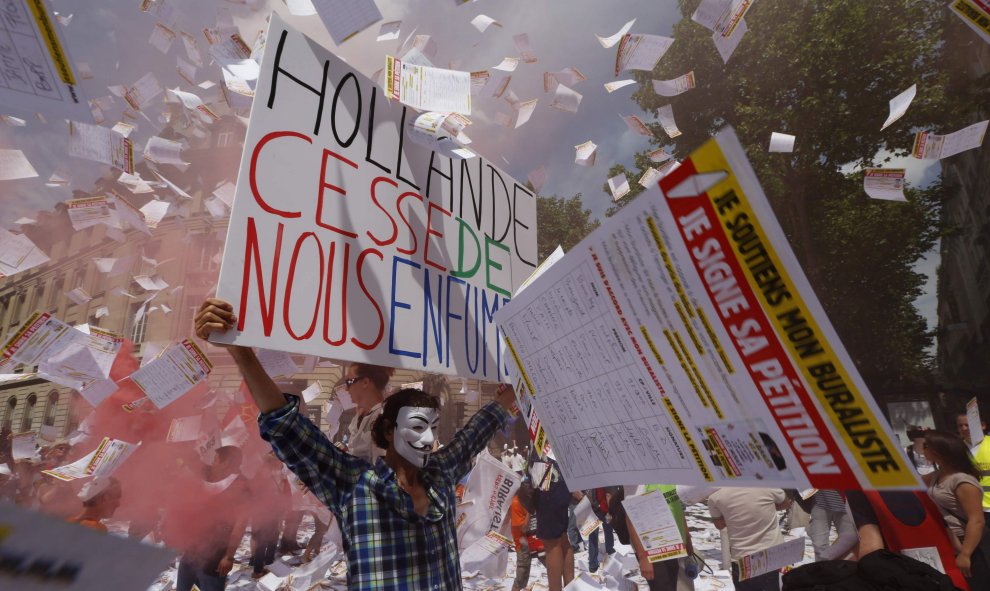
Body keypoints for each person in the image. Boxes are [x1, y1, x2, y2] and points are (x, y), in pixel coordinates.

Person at [194, 298, 518, 590]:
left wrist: (515, 381)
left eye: (432, 428)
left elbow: (478, 427)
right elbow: (286, 425)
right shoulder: (353, 484)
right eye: (417, 427)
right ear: (389, 431)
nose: (427, 439)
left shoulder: (442, 471)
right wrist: (241, 352)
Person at [921, 430, 990, 590]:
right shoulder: (938, 475)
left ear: (938, 450)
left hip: (972, 546)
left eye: (926, 446)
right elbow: (910, 481)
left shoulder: (962, 481)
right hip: (952, 543)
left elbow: (977, 520)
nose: (923, 449)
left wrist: (965, 553)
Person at [708, 487, 790, 591]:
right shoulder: (767, 485)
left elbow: (719, 525)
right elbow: (786, 503)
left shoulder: (715, 497)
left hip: (742, 559)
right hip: (772, 555)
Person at [532, 457, 577, 591]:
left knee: (552, 543)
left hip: (547, 477)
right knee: (563, 539)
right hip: (559, 479)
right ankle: (570, 586)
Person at [805, 490, 857, 561]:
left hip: (845, 504)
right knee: (819, 544)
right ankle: (822, 567)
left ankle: (831, 564)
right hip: (820, 501)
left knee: (849, 540)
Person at [957, 412, 990, 521]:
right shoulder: (956, 448)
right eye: (960, 425)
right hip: (971, 508)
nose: (964, 428)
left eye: (968, 425)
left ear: (983, 425)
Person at [511, 479, 537, 591]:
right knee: (521, 577)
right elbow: (523, 528)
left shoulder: (529, 499)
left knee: (552, 566)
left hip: (534, 538)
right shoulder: (516, 503)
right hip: (522, 542)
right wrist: (529, 512)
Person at [585, 486, 617, 573]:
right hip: (605, 510)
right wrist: (611, 510)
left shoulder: (590, 480)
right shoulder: (605, 479)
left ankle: (592, 564)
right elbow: (609, 495)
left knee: (592, 537)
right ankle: (610, 557)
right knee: (608, 533)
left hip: (593, 510)